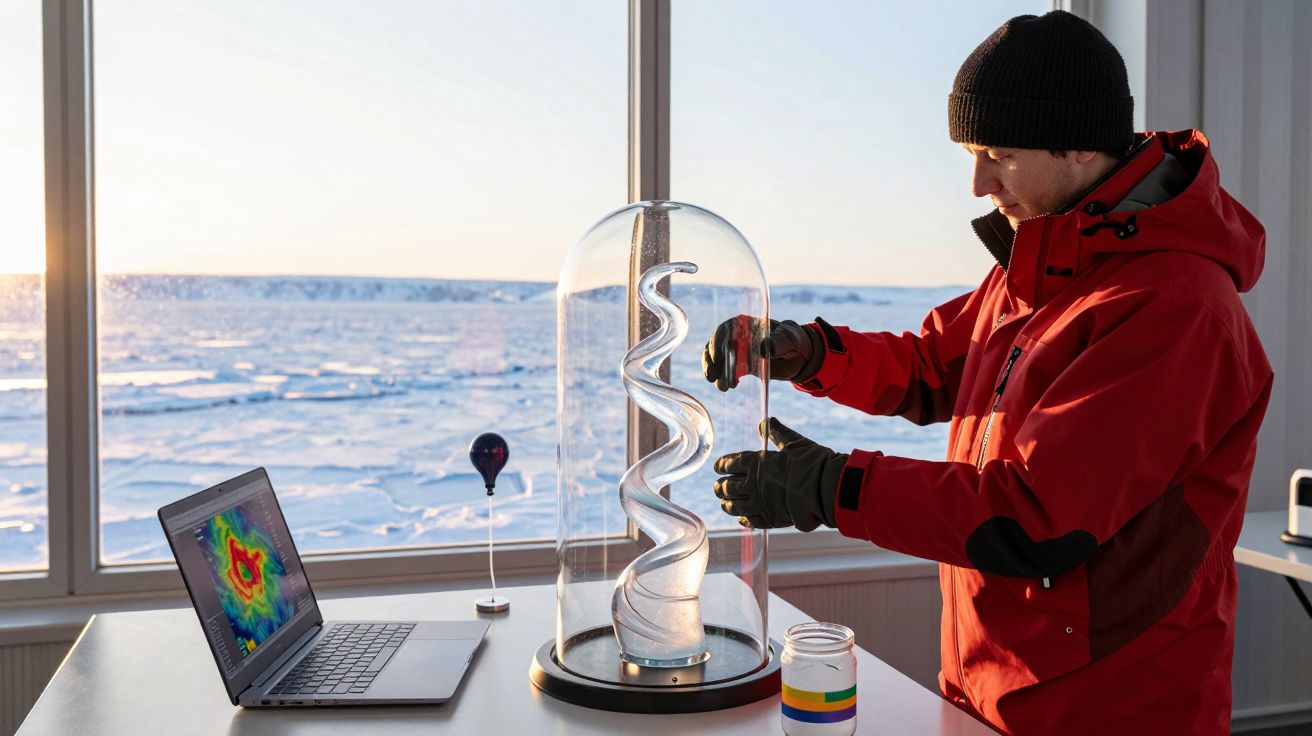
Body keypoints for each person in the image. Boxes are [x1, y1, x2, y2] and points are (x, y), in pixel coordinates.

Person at [702, 10, 1272, 735]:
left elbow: (1033, 517)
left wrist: (832, 486)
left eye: (997, 153)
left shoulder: (1177, 308)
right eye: (972, 152)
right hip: (993, 693)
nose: (977, 182)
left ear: (1077, 149)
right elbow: (927, 370)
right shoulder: (1046, 264)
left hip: (1109, 708)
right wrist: (807, 351)